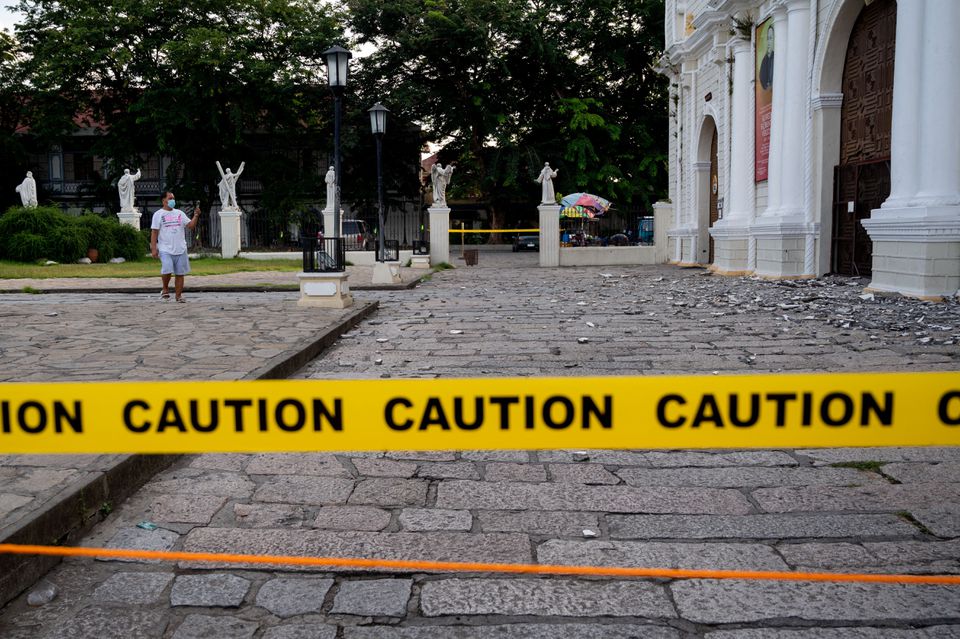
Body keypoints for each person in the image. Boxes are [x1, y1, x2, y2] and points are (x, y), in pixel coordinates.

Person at [150, 192, 200, 302]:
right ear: (164, 201)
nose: (173, 200)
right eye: (170, 198)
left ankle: (178, 296)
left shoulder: (179, 213)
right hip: (165, 248)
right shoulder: (158, 214)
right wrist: (154, 248)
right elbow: (154, 232)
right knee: (167, 269)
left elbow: (191, 226)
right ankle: (165, 288)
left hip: (180, 248)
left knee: (180, 273)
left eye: (174, 198)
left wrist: (196, 216)